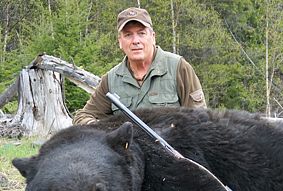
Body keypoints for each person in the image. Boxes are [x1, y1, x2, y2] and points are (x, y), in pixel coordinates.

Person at [73, 7, 207, 125]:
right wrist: (104, 129)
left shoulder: (178, 67)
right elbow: (82, 116)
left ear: (153, 37)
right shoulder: (111, 80)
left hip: (173, 149)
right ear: (120, 42)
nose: (135, 41)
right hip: (129, 153)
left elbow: (200, 118)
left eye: (141, 33)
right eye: (128, 35)